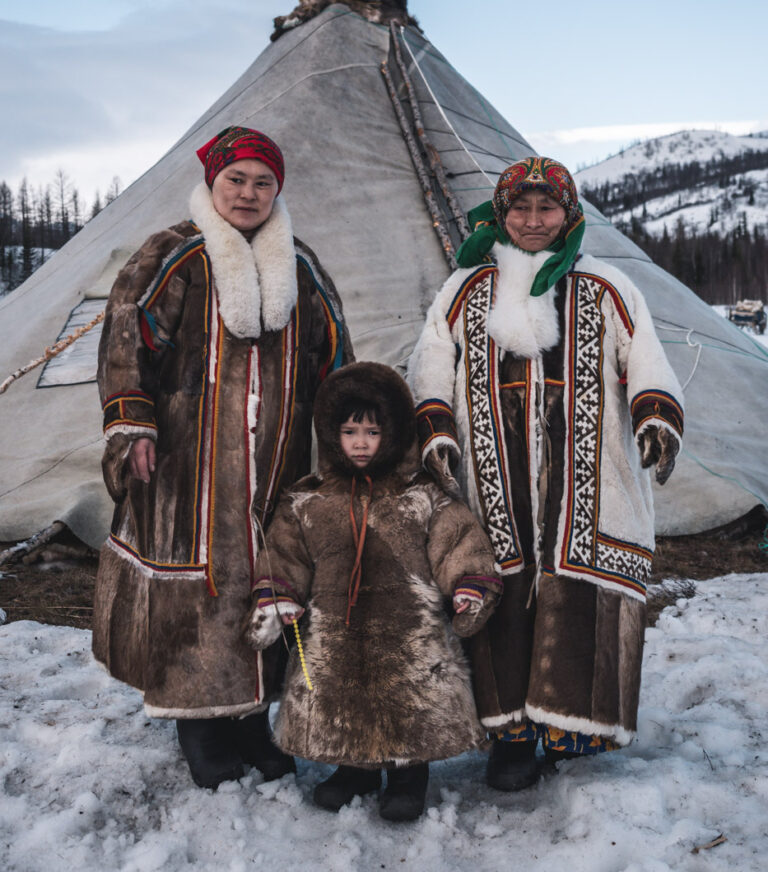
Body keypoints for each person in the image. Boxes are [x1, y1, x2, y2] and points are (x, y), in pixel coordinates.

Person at [407, 157, 683, 791]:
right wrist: (437, 429)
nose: (533, 221)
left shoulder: (607, 286)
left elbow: (644, 355)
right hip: (492, 475)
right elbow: (430, 361)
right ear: (501, 214)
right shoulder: (465, 290)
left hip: (584, 473)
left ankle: (571, 727)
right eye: (520, 209)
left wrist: (654, 414)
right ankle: (509, 740)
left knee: (574, 585)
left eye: (546, 208)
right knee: (499, 589)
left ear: (569, 214)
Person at [92, 125, 352, 790]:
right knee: (201, 584)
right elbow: (128, 335)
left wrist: (350, 445)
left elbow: (334, 354)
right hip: (189, 463)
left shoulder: (299, 266)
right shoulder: (176, 255)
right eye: (236, 180)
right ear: (213, 182)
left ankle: (250, 719)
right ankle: (200, 722)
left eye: (263, 182)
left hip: (278, 465)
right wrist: (131, 424)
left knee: (266, 585)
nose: (249, 193)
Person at [244, 361, 502, 822]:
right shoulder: (310, 500)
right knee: (343, 699)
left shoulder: (421, 495)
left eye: (372, 431)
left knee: (409, 698)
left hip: (407, 633)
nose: (360, 442)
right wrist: (279, 592)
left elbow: (457, 541)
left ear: (394, 433)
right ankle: (354, 770)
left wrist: (468, 585)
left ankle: (408, 777)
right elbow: (284, 551)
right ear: (331, 434)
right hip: (335, 630)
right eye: (349, 431)